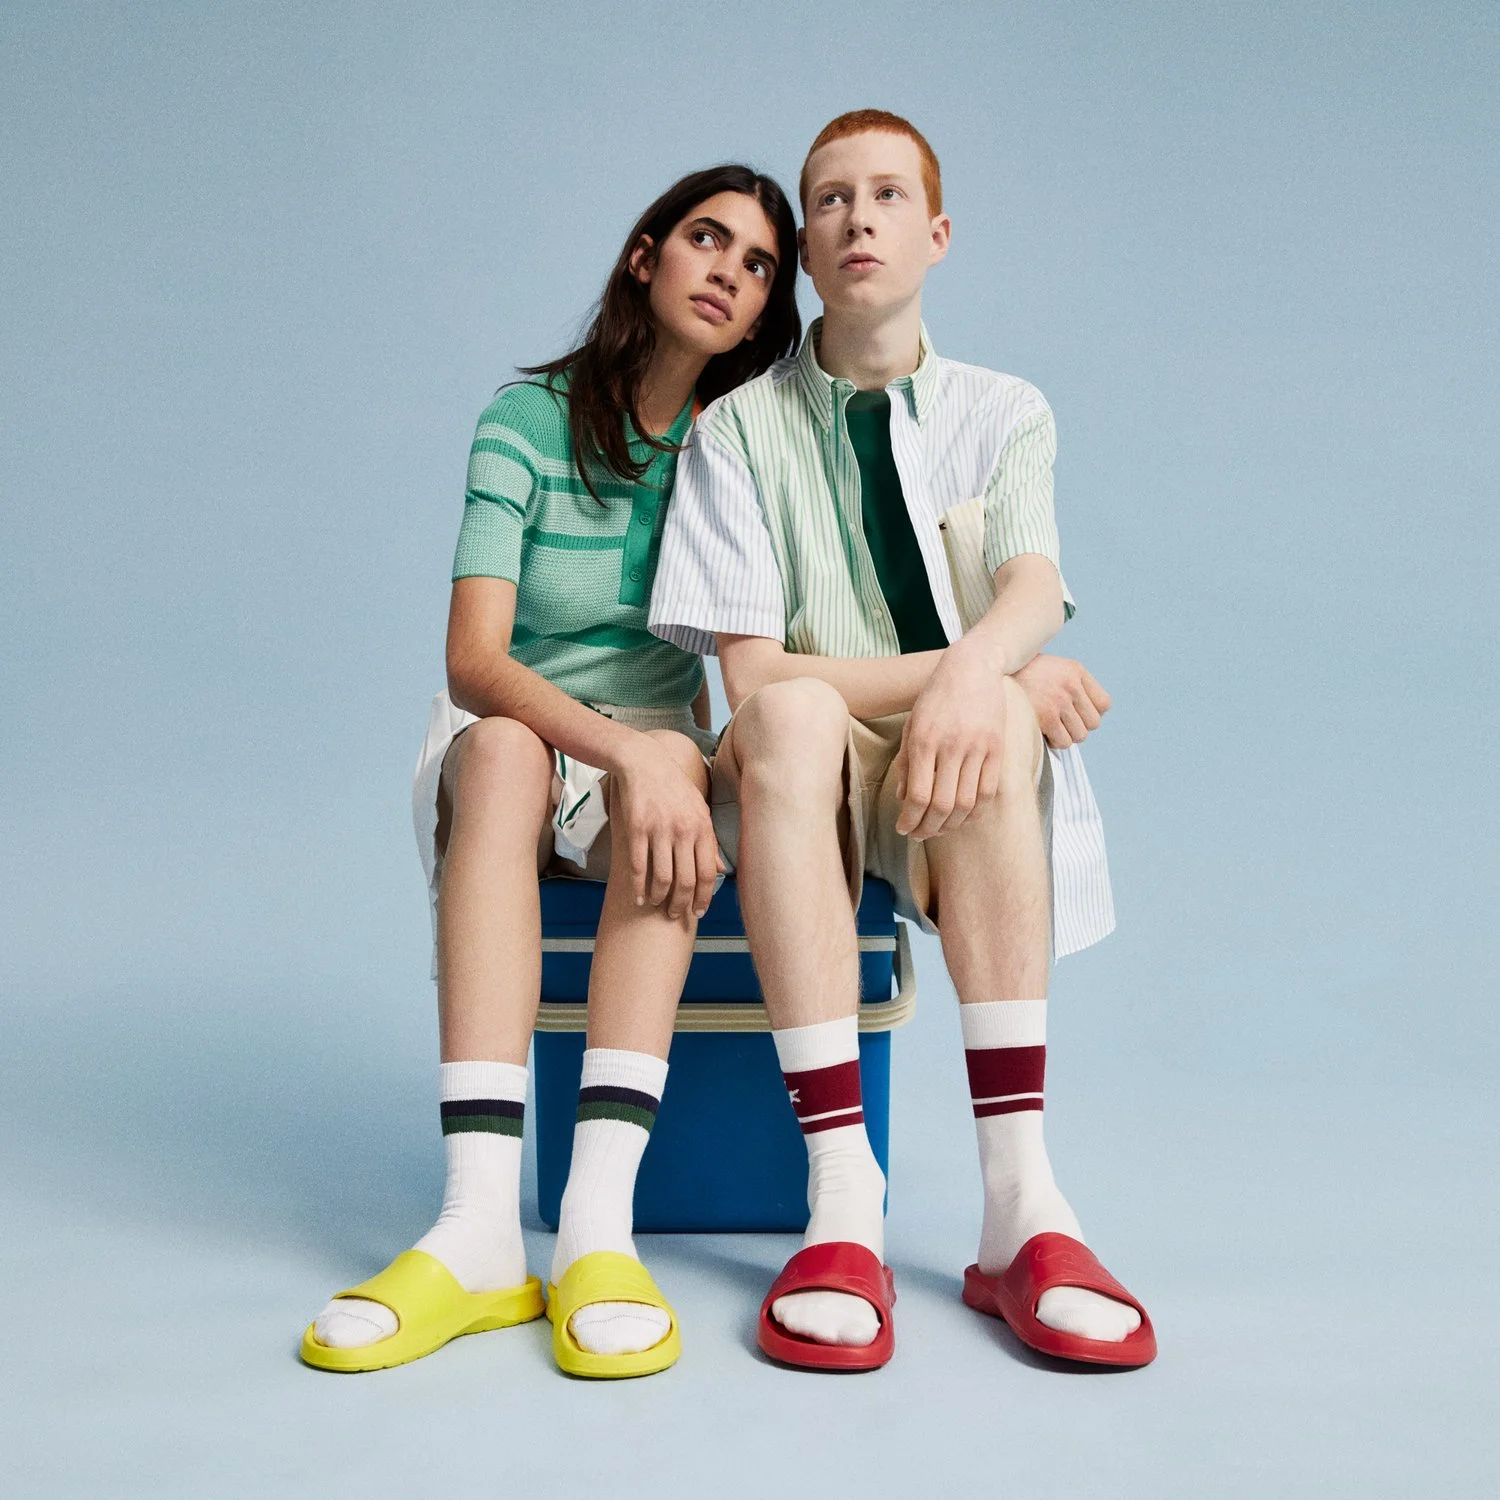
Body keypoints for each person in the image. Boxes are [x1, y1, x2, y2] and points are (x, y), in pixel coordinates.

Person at [649, 111, 1155, 1369]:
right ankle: (843, 1199)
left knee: (987, 716)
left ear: (934, 235)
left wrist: (988, 679)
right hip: (795, 774)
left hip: (950, 781)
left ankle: (1020, 1207)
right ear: (808, 257)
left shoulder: (1006, 408)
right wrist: (990, 671)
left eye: (885, 197)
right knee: (806, 707)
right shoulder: (735, 433)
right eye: (828, 202)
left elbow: (1031, 587)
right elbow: (757, 673)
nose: (856, 217)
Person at [299, 164, 801, 1379]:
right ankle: (477, 1228)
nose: (729, 270)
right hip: (518, 747)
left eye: (758, 264)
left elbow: (749, 669)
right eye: (705, 239)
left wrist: (676, 758)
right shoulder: (524, 419)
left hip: (647, 766)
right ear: (646, 256)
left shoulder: (740, 450)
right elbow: (475, 662)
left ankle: (592, 1228)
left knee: (680, 773)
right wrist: (627, 743)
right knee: (520, 749)